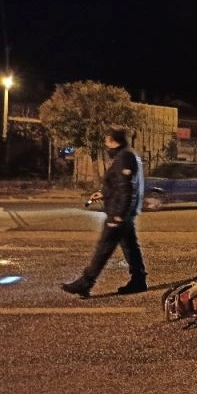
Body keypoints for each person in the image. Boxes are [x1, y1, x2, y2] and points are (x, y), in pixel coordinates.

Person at [62, 127, 147, 297]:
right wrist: (104, 193)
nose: (105, 143)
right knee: (130, 247)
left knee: (104, 248)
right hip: (124, 212)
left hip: (119, 212)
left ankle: (86, 282)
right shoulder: (127, 155)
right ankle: (139, 280)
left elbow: (126, 188)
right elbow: (119, 185)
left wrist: (118, 216)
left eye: (106, 139)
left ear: (112, 140)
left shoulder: (124, 157)